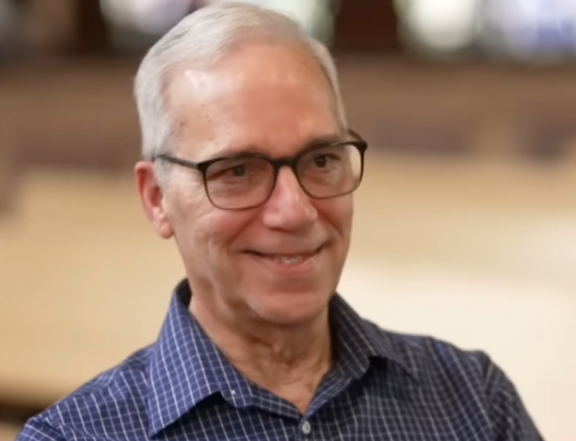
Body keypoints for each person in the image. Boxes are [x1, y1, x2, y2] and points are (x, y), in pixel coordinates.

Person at [16, 3, 543, 440]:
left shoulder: (474, 401)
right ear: (157, 199)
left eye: (321, 160)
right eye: (237, 171)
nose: (295, 211)